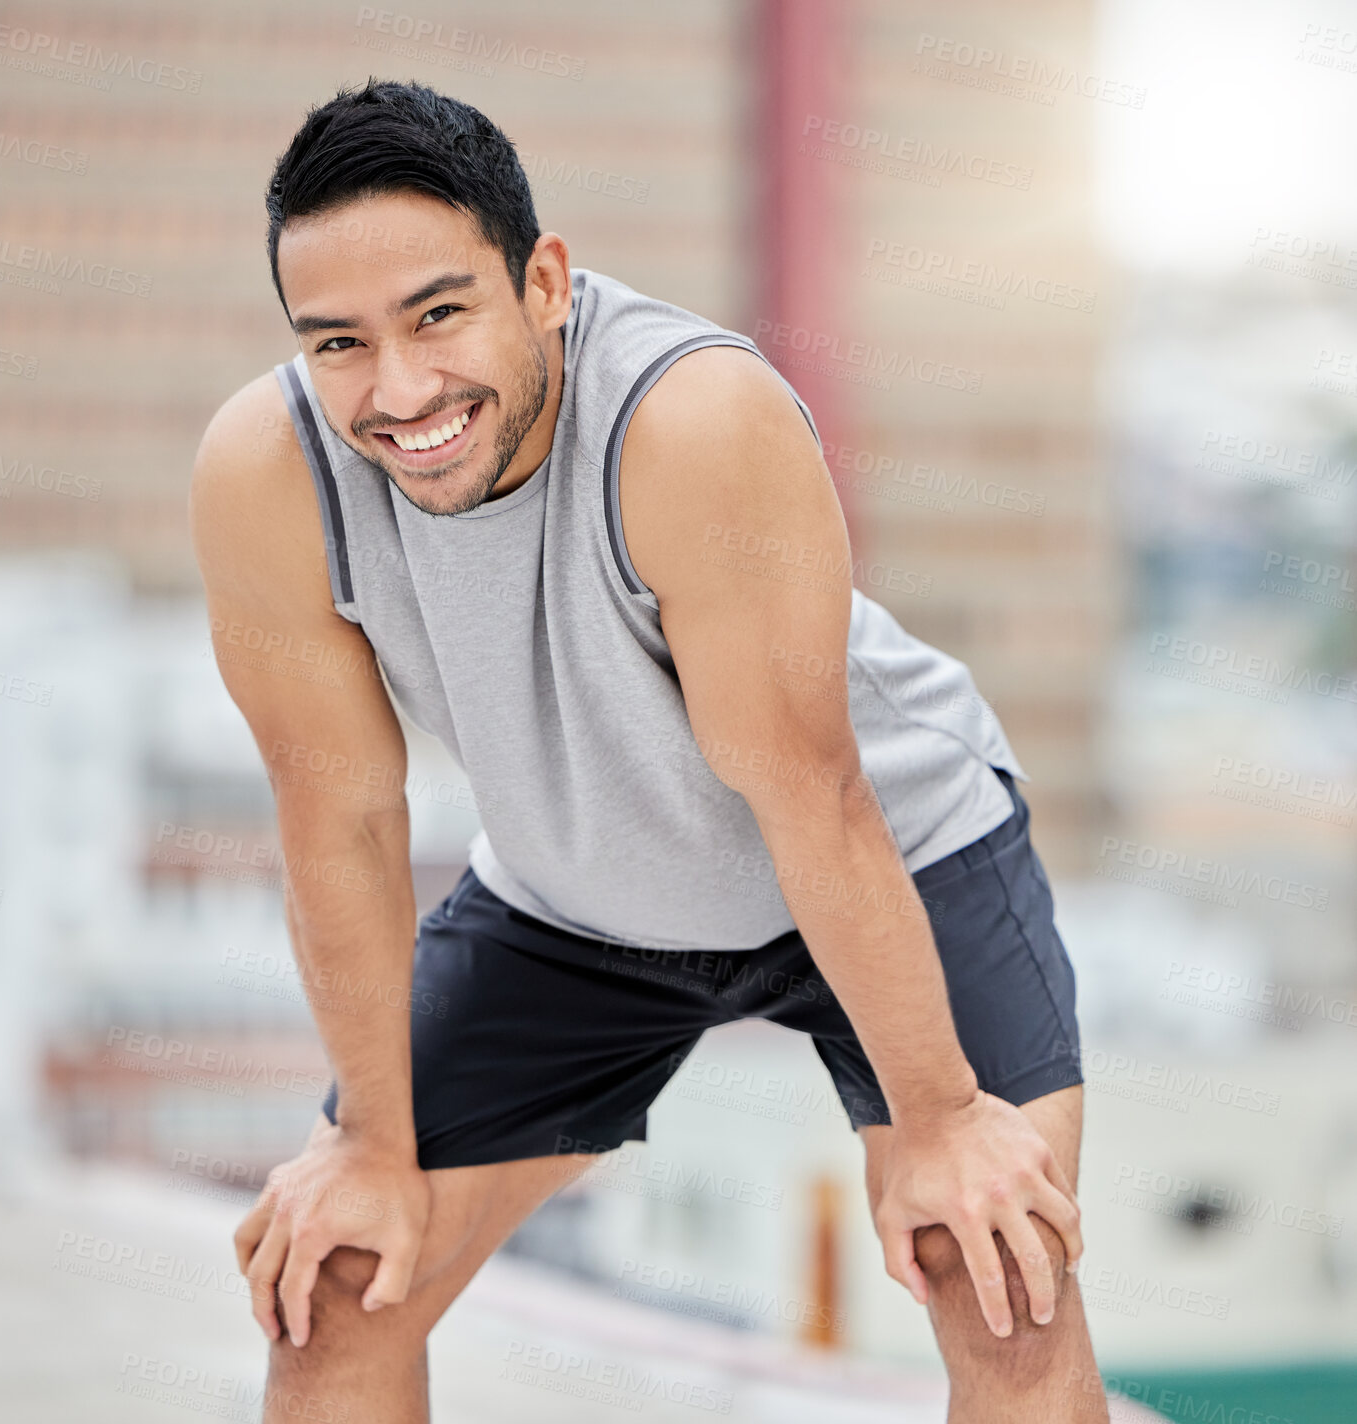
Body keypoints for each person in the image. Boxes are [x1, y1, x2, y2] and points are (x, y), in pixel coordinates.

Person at [189, 77, 1105, 1423]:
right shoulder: (267, 472)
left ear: (544, 281)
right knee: (337, 1282)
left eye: (439, 314)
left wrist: (943, 1115)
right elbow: (343, 822)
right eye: (339, 343)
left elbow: (814, 801)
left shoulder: (691, 423)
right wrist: (371, 1147)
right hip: (578, 898)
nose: (399, 389)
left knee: (999, 1278)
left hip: (886, 864)